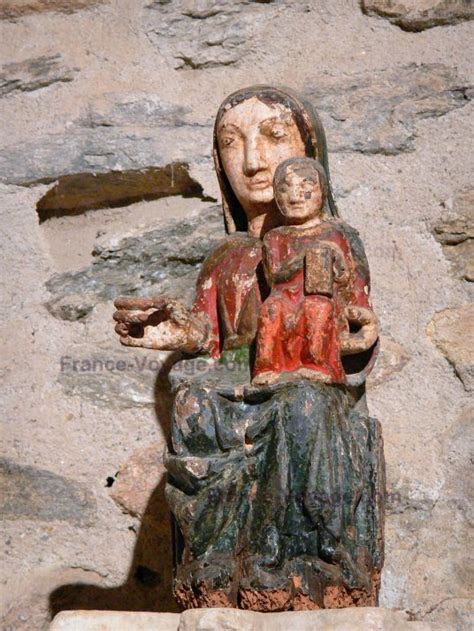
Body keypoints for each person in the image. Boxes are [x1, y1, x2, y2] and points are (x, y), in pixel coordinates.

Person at [113, 86, 383, 611]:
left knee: (300, 407)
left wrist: (356, 335)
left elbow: (356, 319)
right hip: (236, 379)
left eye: (274, 137)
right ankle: (214, 562)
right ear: (218, 164)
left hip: (306, 374)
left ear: (312, 160)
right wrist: (177, 331)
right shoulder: (229, 254)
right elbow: (210, 336)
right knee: (192, 399)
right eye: (232, 143)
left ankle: (301, 561)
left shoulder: (335, 237)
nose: (255, 162)